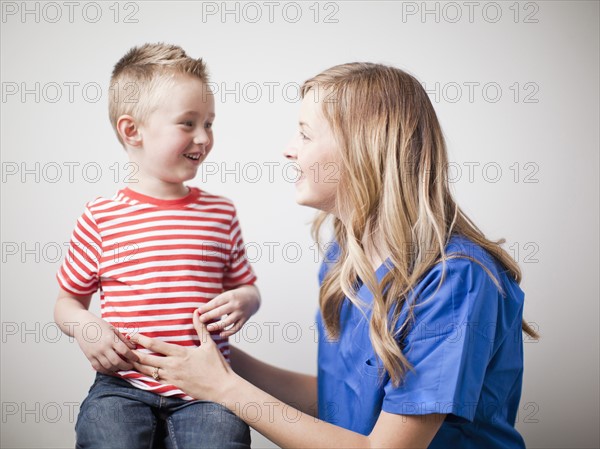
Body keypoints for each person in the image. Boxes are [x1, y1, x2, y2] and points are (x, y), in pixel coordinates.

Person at [129, 62, 538, 448]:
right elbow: (338, 404)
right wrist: (214, 356)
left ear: (363, 150)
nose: (289, 150)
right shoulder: (345, 259)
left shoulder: (455, 280)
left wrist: (222, 387)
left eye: (305, 134)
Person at [53, 43, 260, 448]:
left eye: (209, 123)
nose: (203, 137)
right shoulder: (101, 215)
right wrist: (86, 328)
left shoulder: (220, 212)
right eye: (188, 123)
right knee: (105, 437)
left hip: (207, 388)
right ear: (133, 131)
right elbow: (66, 302)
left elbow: (246, 286)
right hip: (122, 384)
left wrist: (244, 301)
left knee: (225, 439)